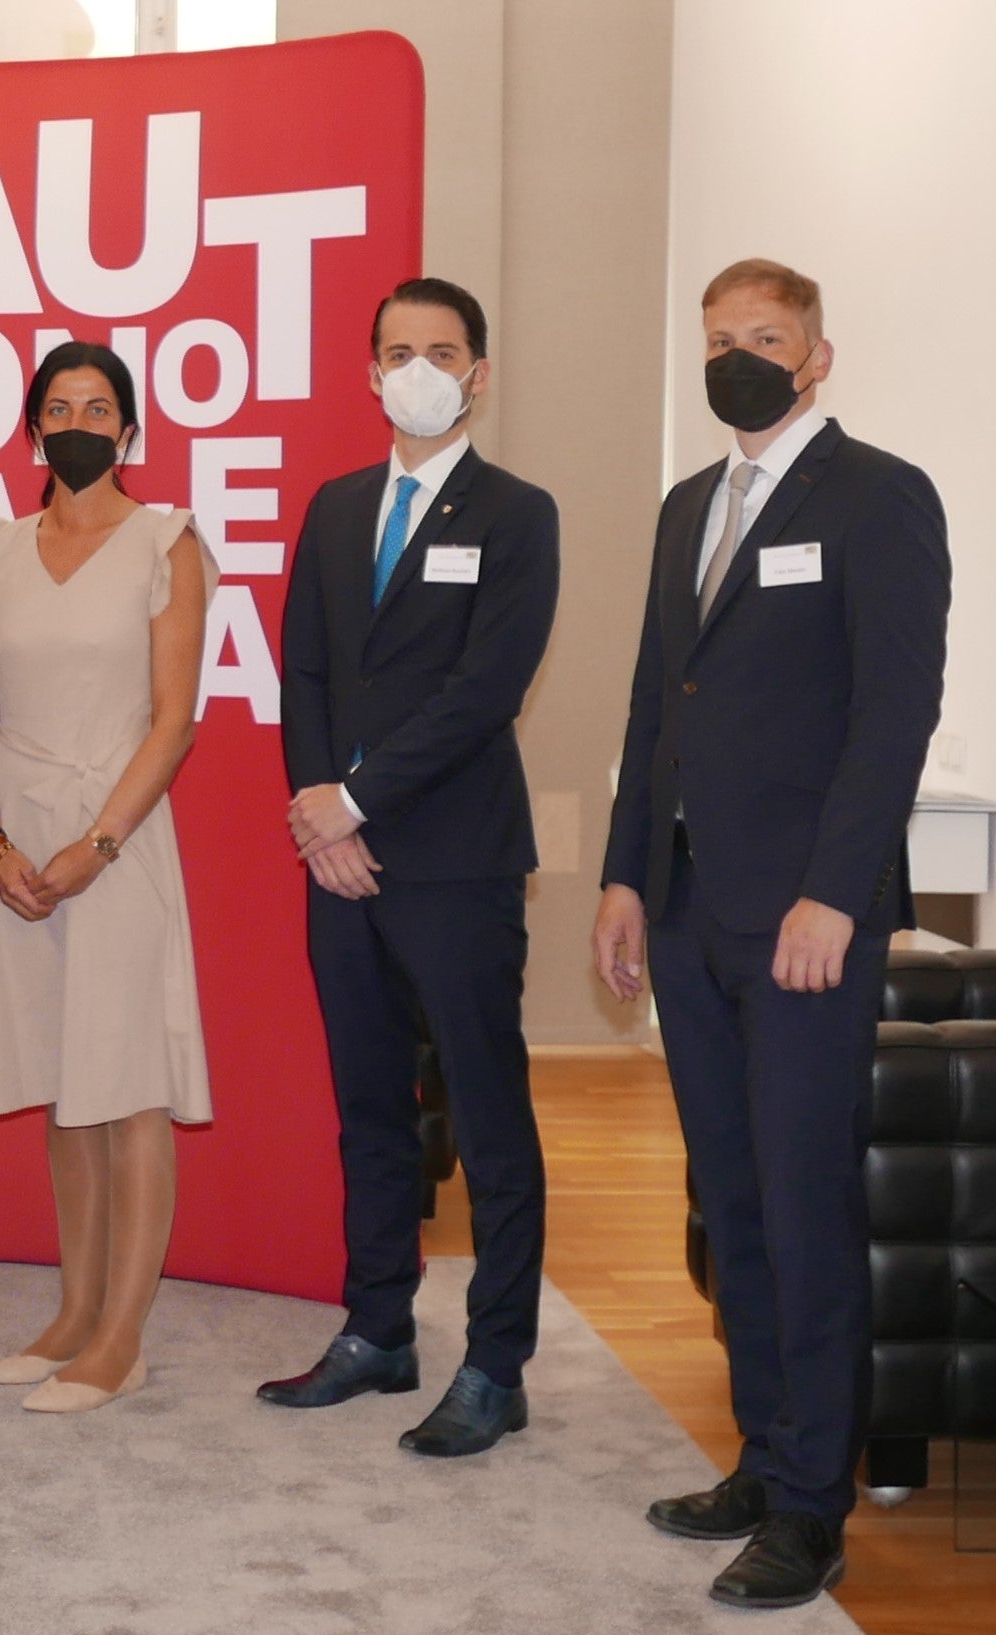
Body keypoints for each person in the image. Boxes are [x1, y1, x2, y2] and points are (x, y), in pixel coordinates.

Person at [594, 258, 948, 1610]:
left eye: (765, 338)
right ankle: (760, 1456)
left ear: (816, 357)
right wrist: (626, 875)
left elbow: (891, 714)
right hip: (684, 911)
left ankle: (813, 1506)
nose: (739, 357)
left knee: (804, 1210)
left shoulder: (877, 498)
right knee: (728, 1200)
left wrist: (834, 892)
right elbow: (652, 707)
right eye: (720, 338)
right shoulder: (691, 504)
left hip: (803, 920)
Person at [257, 278, 560, 1458]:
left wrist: (358, 799)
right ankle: (377, 1329)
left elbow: (486, 690)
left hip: (455, 858)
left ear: (478, 373)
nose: (419, 368)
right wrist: (322, 821)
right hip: (340, 864)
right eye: (398, 350)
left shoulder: (516, 512)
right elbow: (307, 676)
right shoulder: (335, 508)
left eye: (442, 350)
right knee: (369, 1105)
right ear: (367, 373)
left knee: (485, 1114)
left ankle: (497, 1361)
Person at [0, 341, 213, 1415]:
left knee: (126, 1086)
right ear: (32, 427)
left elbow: (176, 717)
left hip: (117, 836)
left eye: (99, 406)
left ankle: (122, 1336)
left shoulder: (167, 543)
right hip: (16, 842)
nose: (79, 421)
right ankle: (75, 1311)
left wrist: (97, 843)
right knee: (62, 1083)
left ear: (128, 430)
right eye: (59, 406)